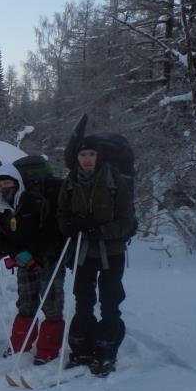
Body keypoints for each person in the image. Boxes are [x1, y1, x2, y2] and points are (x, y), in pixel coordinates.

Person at [57, 139, 135, 377]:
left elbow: (127, 221)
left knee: (110, 302)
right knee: (83, 300)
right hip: (83, 252)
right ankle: (81, 349)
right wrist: (70, 227)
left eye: (91, 154)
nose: (87, 159)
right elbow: (61, 213)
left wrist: (100, 230)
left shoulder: (115, 181)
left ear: (98, 157)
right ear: (77, 158)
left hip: (111, 251)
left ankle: (105, 349)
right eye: (83, 155)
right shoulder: (70, 182)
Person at [0, 163, 66, 365]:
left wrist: (34, 255)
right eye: (1, 184)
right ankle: (19, 345)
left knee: (52, 303)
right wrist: (20, 255)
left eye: (8, 182)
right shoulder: (1, 209)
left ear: (17, 182)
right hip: (24, 260)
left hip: (48, 257)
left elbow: (49, 230)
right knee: (26, 302)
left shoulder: (35, 202)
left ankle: (48, 350)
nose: (5, 187)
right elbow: (3, 237)